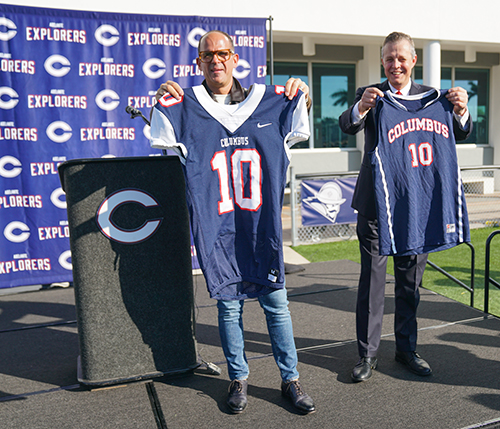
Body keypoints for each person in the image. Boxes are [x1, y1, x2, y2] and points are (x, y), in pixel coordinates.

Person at [149, 30, 315, 414]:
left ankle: (290, 378)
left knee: (277, 305)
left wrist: (302, 91)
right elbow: (161, 129)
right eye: (208, 56)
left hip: (261, 231)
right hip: (218, 232)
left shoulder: (271, 102)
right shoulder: (183, 105)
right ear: (199, 63)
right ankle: (238, 378)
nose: (216, 60)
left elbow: (299, 111)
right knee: (228, 308)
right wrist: (160, 101)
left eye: (223, 53)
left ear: (235, 58)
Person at [339, 31, 472, 382]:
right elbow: (347, 124)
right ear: (382, 61)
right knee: (373, 280)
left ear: (413, 61)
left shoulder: (434, 99)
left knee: (411, 282)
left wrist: (461, 110)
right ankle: (367, 355)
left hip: (418, 205)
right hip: (376, 205)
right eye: (388, 58)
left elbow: (461, 132)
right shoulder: (372, 95)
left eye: (401, 58)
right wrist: (362, 106)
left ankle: (407, 349)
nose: (395, 64)